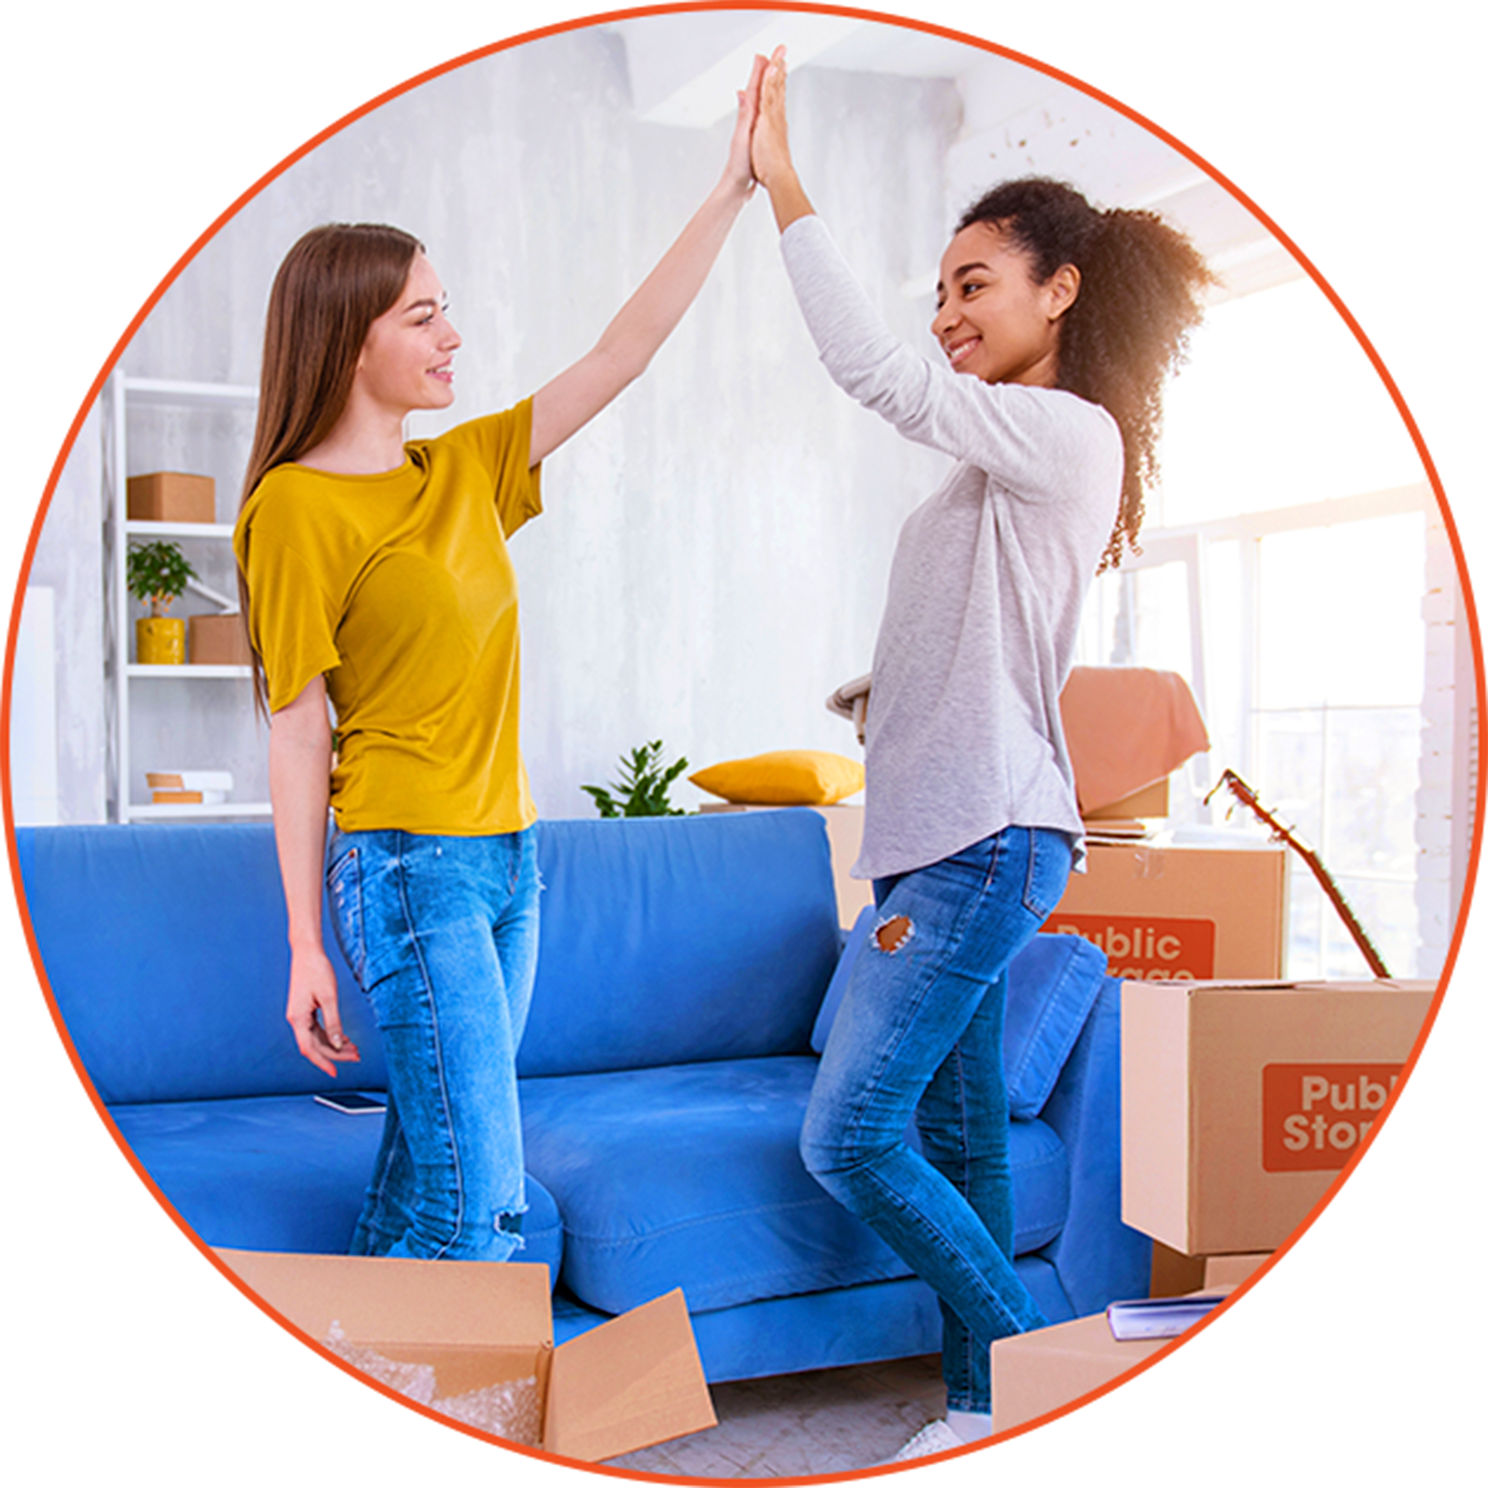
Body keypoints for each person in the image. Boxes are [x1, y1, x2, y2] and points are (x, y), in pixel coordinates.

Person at [747, 48, 1213, 1453]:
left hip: (978, 848)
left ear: (1057, 290)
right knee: (952, 1146)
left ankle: (1049, 1393)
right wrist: (880, 697)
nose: (946, 315)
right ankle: (977, 1413)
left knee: (848, 1140)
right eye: (939, 291)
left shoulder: (1067, 433)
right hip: (935, 846)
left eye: (973, 286)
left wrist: (783, 185)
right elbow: (989, 635)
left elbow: (869, 372)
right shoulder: (1004, 459)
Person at [233, 58, 765, 1262]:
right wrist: (306, 941)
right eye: (422, 315)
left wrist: (729, 190)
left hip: (512, 863)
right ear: (347, 337)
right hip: (407, 874)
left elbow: (621, 353)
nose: (452, 333)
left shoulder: (466, 470)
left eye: (445, 307)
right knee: (484, 1208)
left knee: (431, 1174)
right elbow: (297, 727)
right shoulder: (293, 513)